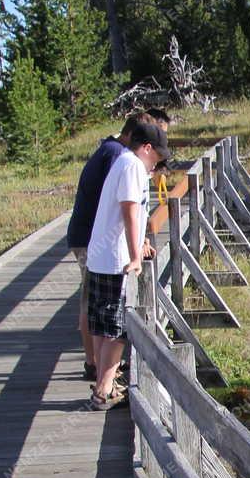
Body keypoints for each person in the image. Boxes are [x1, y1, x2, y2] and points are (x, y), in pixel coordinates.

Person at [67, 107, 172, 381]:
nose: (157, 165)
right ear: (144, 144)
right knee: (110, 322)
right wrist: (136, 253)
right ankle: (100, 379)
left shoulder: (116, 155)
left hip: (97, 247)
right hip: (103, 249)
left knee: (100, 317)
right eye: (158, 157)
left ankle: (100, 374)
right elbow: (127, 208)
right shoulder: (124, 160)